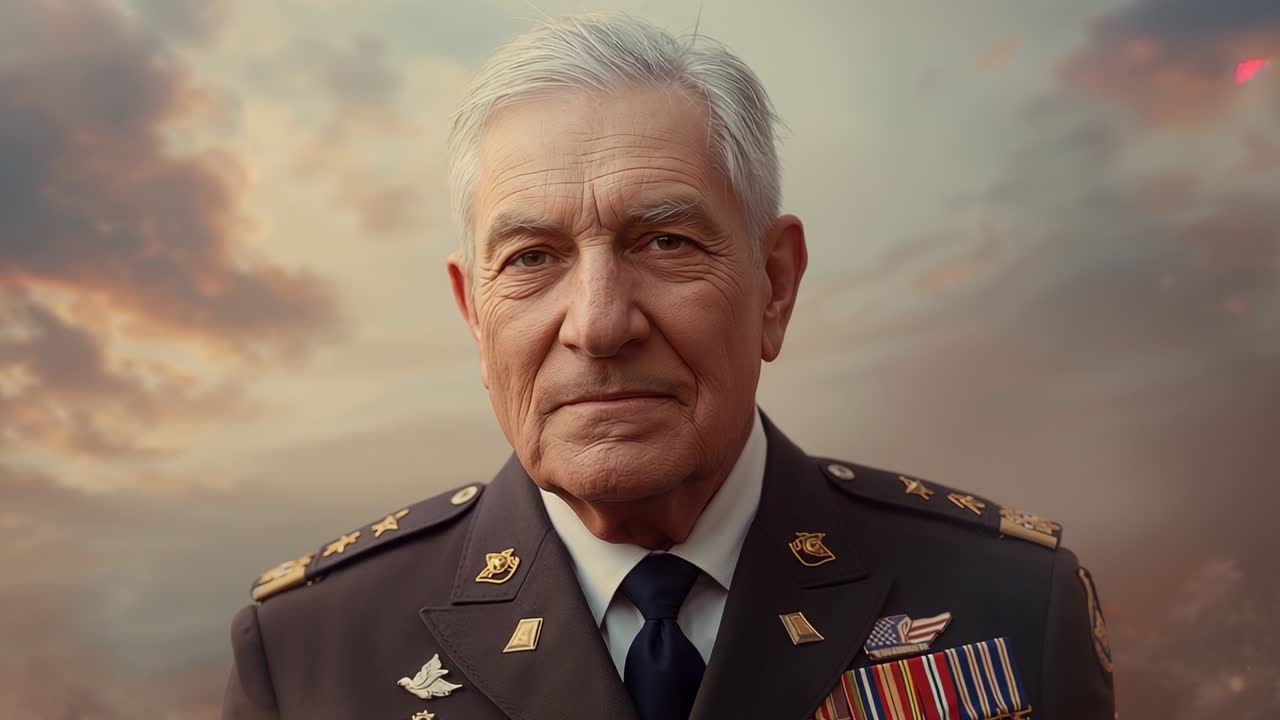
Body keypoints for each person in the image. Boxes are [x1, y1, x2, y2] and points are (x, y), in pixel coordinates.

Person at [222, 13, 1116, 720]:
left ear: (773, 286)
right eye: (532, 258)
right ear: (473, 315)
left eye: (664, 241)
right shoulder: (308, 651)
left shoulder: (1011, 603)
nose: (599, 324)